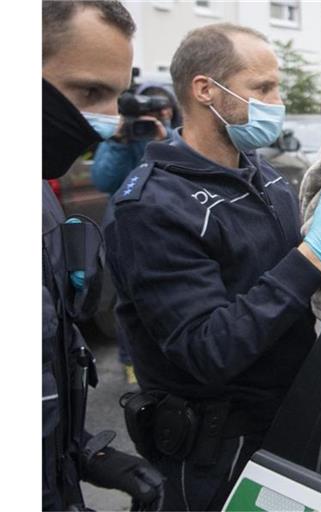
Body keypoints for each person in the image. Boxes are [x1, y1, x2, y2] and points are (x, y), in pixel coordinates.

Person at [102, 23, 321, 511]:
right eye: (262, 87)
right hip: (213, 453)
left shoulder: (261, 174)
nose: (277, 100)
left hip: (283, 425)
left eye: (277, 86)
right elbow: (207, 349)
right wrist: (314, 255)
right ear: (206, 90)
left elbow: (282, 282)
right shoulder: (153, 207)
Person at [42, 2, 165, 510]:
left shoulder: (38, 200)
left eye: (118, 96)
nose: (110, 117)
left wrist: (81, 454)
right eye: (91, 92)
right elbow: (110, 176)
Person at [89, 82, 181, 384]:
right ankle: (131, 361)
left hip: (168, 227)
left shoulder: (179, 137)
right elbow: (104, 179)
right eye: (151, 108)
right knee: (128, 301)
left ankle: (172, 357)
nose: (157, 114)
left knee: (170, 294)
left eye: (162, 108)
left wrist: (164, 139)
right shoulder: (123, 137)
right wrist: (117, 142)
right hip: (124, 228)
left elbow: (180, 175)